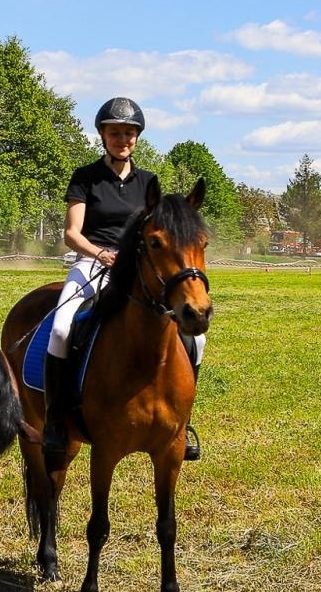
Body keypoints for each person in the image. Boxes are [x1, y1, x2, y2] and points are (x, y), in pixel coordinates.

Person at [43, 96, 204, 460]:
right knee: (62, 328)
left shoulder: (149, 182)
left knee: (199, 339)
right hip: (92, 262)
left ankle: (183, 420)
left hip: (137, 270)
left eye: (129, 133)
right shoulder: (86, 178)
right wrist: (100, 253)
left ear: (137, 138)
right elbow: (72, 232)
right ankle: (56, 419)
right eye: (115, 133)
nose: (123, 139)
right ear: (103, 135)